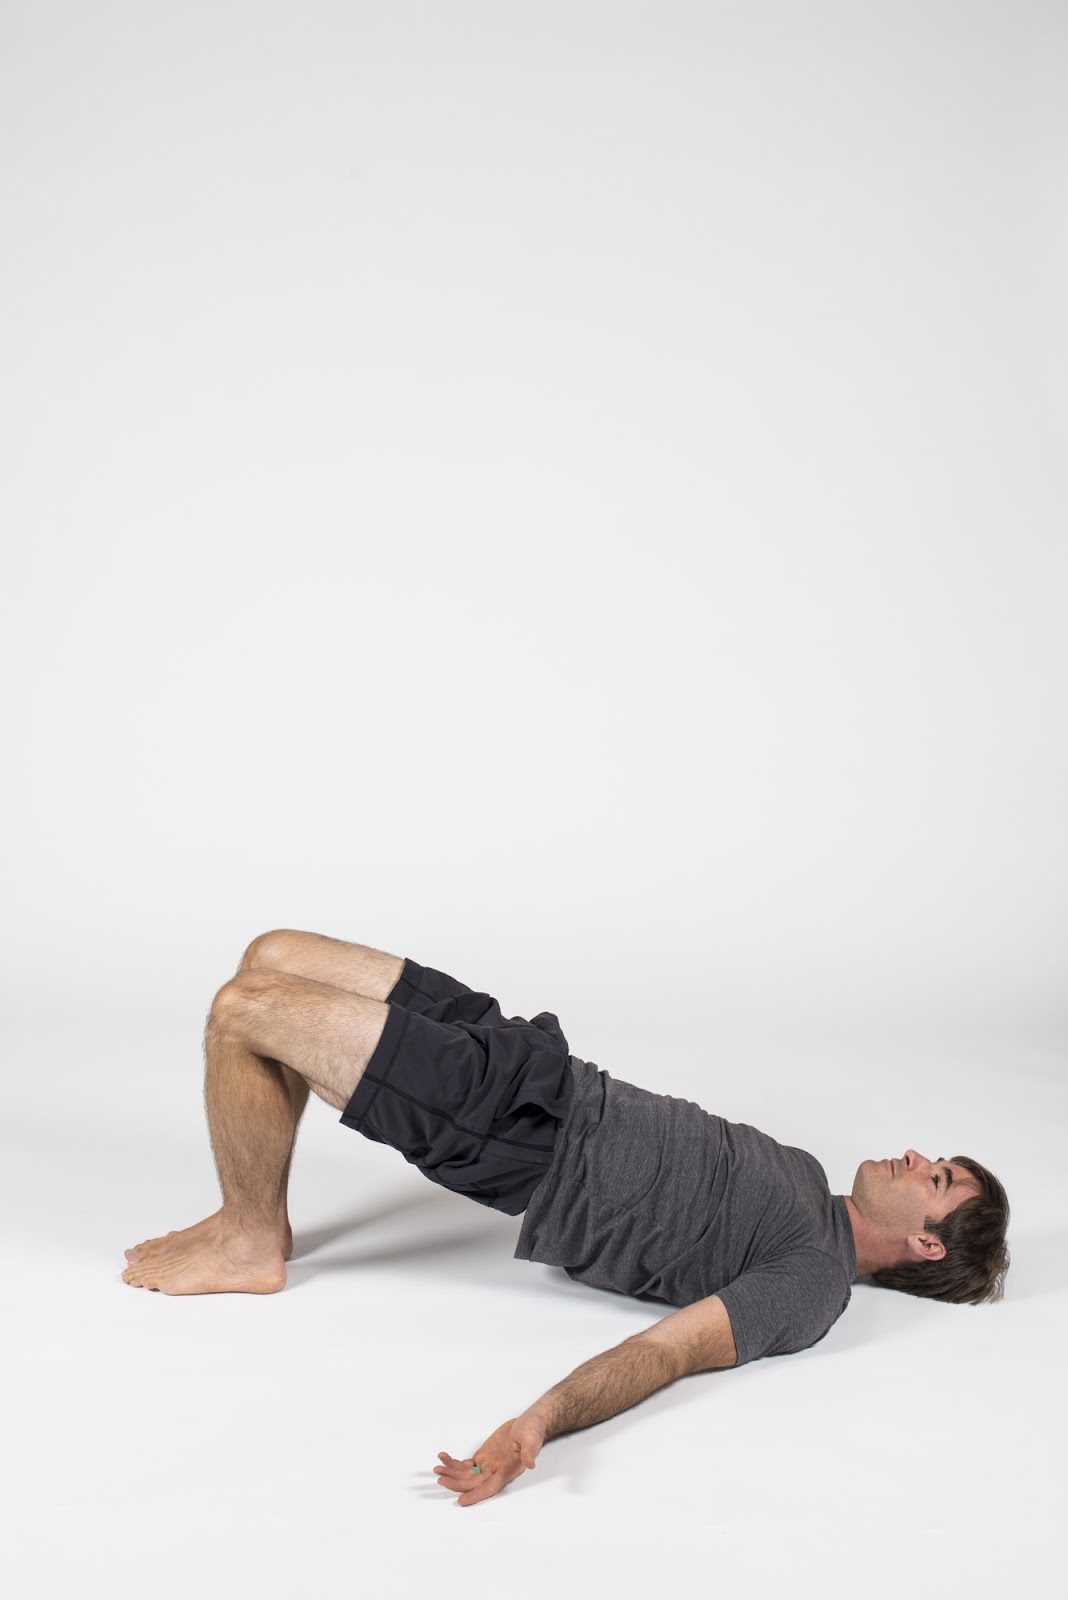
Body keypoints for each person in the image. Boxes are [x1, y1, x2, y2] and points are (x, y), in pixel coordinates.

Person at [122, 929, 1011, 1508]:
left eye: (935, 1178)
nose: (914, 1157)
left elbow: (667, 1352)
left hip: (517, 1137)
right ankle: (257, 1217)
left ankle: (249, 1237)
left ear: (925, 1243)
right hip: (543, 1069)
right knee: (271, 955)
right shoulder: (811, 1182)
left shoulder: (810, 1284)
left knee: (245, 1013)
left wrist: (540, 1421)